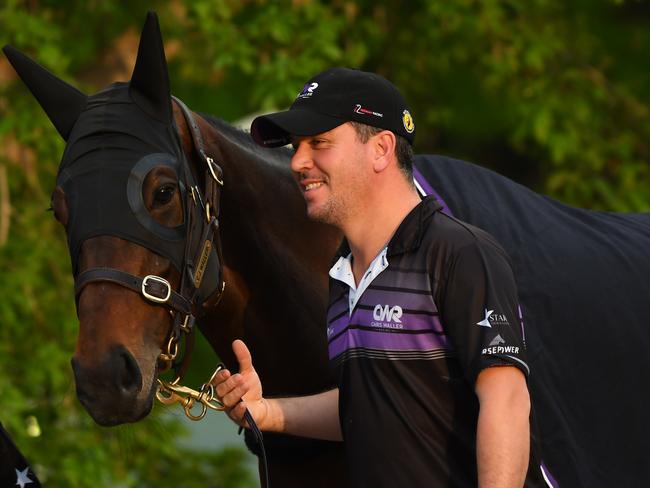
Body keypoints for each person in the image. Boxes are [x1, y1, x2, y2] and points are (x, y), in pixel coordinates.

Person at [212, 68, 550, 487]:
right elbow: (368, 406)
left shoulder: (460, 254)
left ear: (381, 149)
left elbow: (506, 400)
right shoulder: (343, 275)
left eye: (318, 143)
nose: (298, 162)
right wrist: (268, 413)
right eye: (297, 147)